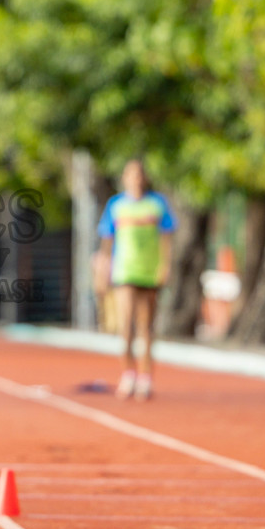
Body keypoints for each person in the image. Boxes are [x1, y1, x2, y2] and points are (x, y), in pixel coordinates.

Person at [94, 159, 175, 400]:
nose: (136, 179)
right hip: (124, 271)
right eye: (131, 175)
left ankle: (146, 378)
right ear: (125, 178)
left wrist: (164, 266)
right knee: (125, 324)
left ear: (144, 178)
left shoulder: (156, 204)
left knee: (146, 326)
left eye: (139, 174)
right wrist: (102, 271)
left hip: (149, 272)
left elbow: (166, 239)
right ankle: (128, 374)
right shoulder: (116, 205)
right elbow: (106, 242)